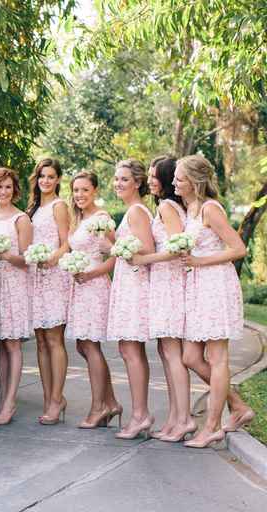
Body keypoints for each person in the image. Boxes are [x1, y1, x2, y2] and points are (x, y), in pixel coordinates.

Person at [174, 155, 252, 448]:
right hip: (198, 286)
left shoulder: (210, 208)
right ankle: (239, 406)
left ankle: (212, 427)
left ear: (195, 181)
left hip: (216, 284)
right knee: (191, 357)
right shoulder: (191, 208)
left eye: (179, 179)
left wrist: (198, 260)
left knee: (217, 357)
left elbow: (238, 248)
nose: (174, 183)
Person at [130, 156, 194, 442]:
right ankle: (173, 418)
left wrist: (144, 258)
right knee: (166, 353)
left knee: (173, 354)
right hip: (161, 283)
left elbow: (178, 248)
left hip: (169, 284)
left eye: (156, 176)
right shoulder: (165, 206)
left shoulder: (168, 207)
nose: (151, 180)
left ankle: (185, 419)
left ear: (167, 179)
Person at [65, 172, 122, 429]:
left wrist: (90, 273)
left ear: (95, 191)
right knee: (82, 346)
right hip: (80, 287)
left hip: (95, 285)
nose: (79, 195)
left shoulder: (101, 218)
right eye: (76, 190)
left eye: (85, 190)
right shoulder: (78, 218)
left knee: (90, 346)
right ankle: (111, 403)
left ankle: (99, 407)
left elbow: (116, 255)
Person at [105, 159, 155, 439]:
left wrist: (112, 247)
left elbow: (145, 251)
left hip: (135, 286)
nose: (118, 184)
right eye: (116, 179)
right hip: (127, 283)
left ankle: (140, 415)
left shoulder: (137, 211)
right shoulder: (132, 211)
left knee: (130, 350)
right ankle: (141, 413)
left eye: (124, 179)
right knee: (129, 350)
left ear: (137, 182)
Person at [0, 167, 32, 425]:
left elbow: (27, 259)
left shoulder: (21, 219)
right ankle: (3, 399)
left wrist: (7, 256)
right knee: (0, 343)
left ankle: (11, 401)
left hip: (14, 284)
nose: (3, 192)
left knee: (12, 343)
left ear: (14, 190)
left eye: (8, 187)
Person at [27, 158, 71, 425]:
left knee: (55, 340)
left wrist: (52, 259)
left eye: (51, 176)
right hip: (36, 276)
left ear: (58, 180)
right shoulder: (32, 209)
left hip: (54, 275)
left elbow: (68, 242)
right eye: (42, 176)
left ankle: (57, 399)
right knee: (41, 341)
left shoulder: (59, 206)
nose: (46, 181)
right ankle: (48, 398)